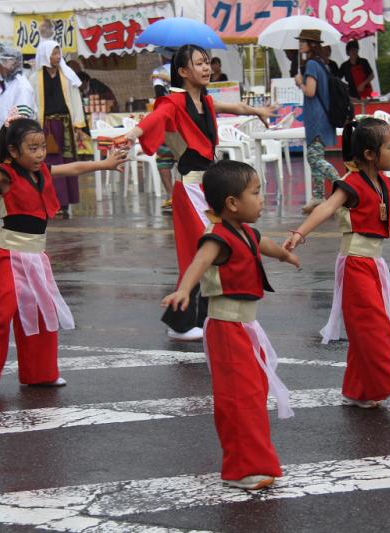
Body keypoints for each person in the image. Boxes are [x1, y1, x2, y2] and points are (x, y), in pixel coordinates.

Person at [0, 112, 128, 397]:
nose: (39, 155)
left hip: (37, 257)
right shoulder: (4, 174)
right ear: (13, 151)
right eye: (32, 149)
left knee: (40, 315)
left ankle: (41, 373)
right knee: (0, 314)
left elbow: (74, 168)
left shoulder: (43, 171)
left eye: (42, 148)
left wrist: (106, 164)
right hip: (8, 257)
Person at [285, 117, 390, 412]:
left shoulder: (383, 183)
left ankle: (358, 390)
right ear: (369, 154)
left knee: (368, 329)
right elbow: (327, 207)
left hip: (374, 263)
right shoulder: (351, 184)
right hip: (355, 263)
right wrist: (300, 233)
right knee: (374, 328)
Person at [162, 160, 299, 490]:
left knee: (253, 394)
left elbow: (261, 244)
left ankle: (255, 463)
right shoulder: (217, 237)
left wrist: (283, 254)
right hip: (226, 328)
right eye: (255, 193)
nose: (262, 199)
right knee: (238, 398)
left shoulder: (246, 231)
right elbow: (200, 262)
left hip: (247, 326)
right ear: (232, 203)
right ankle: (240, 468)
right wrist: (183, 289)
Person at [124, 44, 276, 342]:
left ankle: (199, 317)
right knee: (204, 249)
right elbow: (153, 120)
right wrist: (131, 135)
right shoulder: (173, 102)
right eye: (199, 63)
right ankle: (180, 323)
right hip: (189, 188)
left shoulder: (205, 100)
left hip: (208, 186)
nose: (206, 68)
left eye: (207, 63)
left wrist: (257, 110)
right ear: (182, 72)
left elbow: (235, 107)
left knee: (214, 247)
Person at [29, 40, 87, 219]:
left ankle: (63, 203)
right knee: (48, 164)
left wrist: (78, 125)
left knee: (66, 164)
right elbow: (31, 104)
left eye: (58, 53)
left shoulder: (67, 76)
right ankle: (48, 202)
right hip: (45, 127)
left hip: (65, 125)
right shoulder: (34, 79)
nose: (57, 57)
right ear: (46, 55)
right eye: (53, 53)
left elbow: (76, 100)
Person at [294, 29, 340, 214]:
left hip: (317, 118)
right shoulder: (321, 64)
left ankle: (343, 184)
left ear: (311, 44)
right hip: (321, 116)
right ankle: (318, 196)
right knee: (316, 158)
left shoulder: (312, 64)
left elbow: (310, 91)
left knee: (313, 157)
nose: (300, 44)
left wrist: (299, 82)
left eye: (302, 41)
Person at [0, 45, 35, 162]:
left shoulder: (21, 87)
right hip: (3, 150)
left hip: (13, 153)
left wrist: (11, 153)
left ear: (9, 64)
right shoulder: (6, 86)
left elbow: (20, 122)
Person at [152, 49, 176, 211]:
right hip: (187, 120)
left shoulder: (158, 72)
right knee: (188, 160)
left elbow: (159, 95)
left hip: (168, 120)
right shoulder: (190, 71)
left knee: (164, 159)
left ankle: (171, 195)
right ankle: (188, 197)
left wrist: (163, 77)